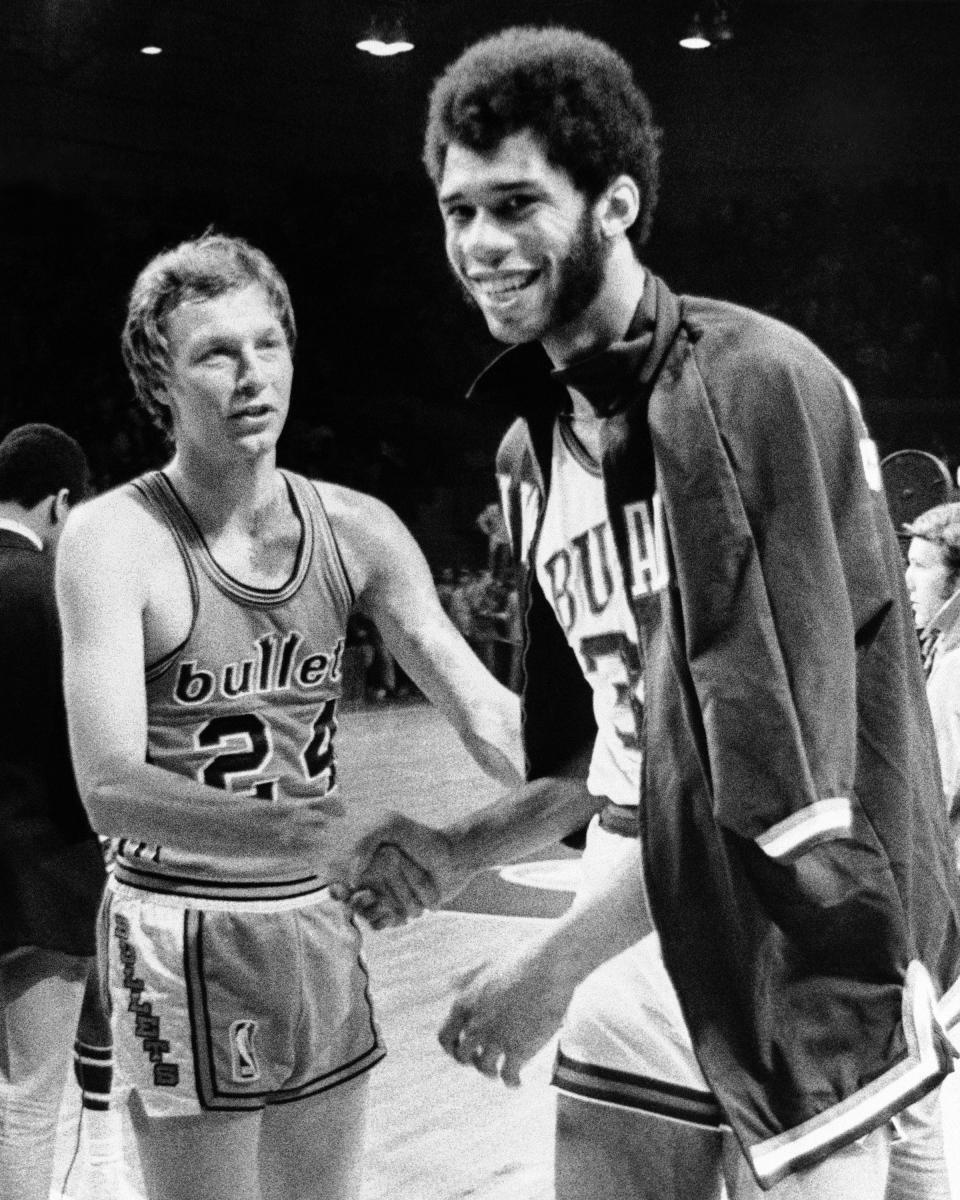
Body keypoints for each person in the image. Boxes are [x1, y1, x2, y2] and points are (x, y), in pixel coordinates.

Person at [333, 26, 960, 1200]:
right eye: (457, 209)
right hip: (634, 910)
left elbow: (772, 786)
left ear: (616, 202)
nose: (479, 243)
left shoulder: (759, 386)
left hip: (806, 941)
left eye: (516, 202)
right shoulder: (529, 450)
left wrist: (549, 970)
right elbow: (611, 758)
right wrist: (458, 846)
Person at [54, 231, 522, 1200]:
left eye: (269, 345)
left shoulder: (357, 527)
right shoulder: (110, 538)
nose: (251, 374)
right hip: (180, 924)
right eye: (216, 354)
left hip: (312, 919)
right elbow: (108, 789)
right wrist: (319, 830)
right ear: (161, 380)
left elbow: (479, 705)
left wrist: (609, 775)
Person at [0, 423, 119, 1200]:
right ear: (61, 501)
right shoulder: (52, 592)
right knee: (28, 1103)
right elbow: (94, 754)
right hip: (37, 880)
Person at [905, 500, 960, 866]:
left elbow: (941, 788)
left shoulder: (955, 668)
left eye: (921, 566)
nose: (907, 578)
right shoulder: (943, 644)